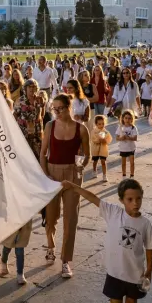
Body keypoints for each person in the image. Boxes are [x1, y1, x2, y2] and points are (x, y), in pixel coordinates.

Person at [65, 178, 152, 303]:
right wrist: (75, 187)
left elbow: (150, 247)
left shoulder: (145, 224)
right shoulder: (113, 213)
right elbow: (93, 198)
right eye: (130, 199)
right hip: (115, 273)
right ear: (122, 200)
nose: (135, 203)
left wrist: (149, 270)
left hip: (135, 274)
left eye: (138, 199)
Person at [40, 94, 90, 279]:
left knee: (71, 219)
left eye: (60, 108)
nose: (57, 112)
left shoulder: (81, 129)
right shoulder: (50, 126)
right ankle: (51, 246)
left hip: (72, 175)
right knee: (51, 217)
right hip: (52, 174)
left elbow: (87, 155)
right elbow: (43, 153)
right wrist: (45, 175)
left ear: (69, 107)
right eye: (54, 109)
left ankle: (66, 261)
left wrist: (80, 168)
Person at [0, 220, 32, 285]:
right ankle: (4, 262)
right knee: (7, 248)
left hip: (24, 225)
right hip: (11, 223)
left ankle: (20, 274)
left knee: (20, 250)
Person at [90, 114, 113, 183]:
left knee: (103, 162)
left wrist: (105, 141)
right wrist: (98, 140)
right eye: (99, 124)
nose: (101, 125)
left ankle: (104, 175)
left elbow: (109, 139)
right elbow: (93, 139)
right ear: (96, 124)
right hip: (95, 149)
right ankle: (94, 170)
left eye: (103, 124)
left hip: (103, 149)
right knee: (95, 161)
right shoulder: (93, 131)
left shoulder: (106, 132)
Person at [116, 110, 138, 178]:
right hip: (123, 148)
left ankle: (132, 175)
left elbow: (135, 138)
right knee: (123, 163)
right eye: (126, 118)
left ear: (132, 119)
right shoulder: (120, 127)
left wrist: (128, 138)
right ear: (123, 118)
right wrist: (121, 138)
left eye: (129, 118)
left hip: (131, 147)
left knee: (132, 163)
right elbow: (117, 138)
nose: (127, 120)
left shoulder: (133, 128)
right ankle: (124, 175)